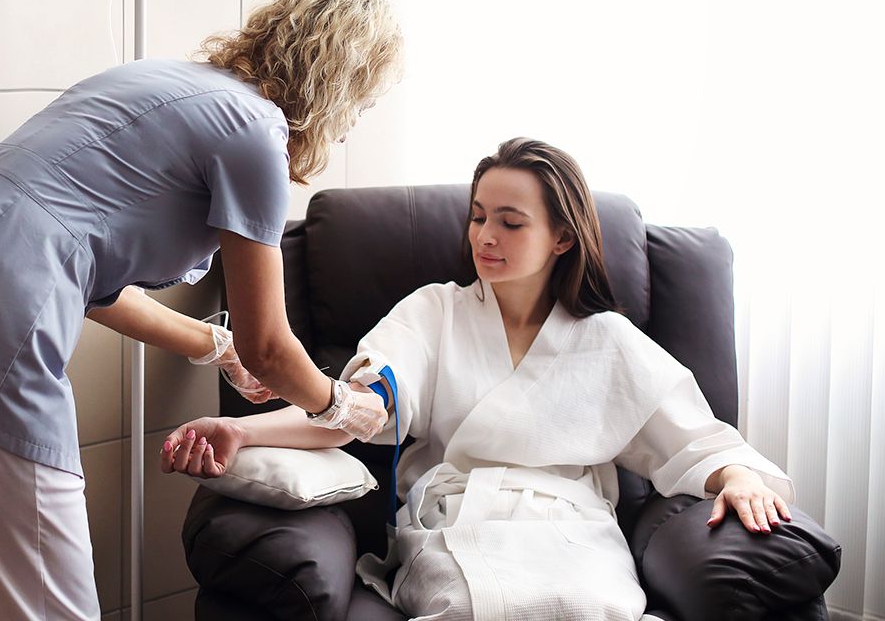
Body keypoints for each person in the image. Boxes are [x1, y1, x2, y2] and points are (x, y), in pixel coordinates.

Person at [0, 0, 400, 620]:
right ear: (343, 84)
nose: (349, 130)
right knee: (48, 603)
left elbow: (83, 271)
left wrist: (215, 345)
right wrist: (337, 405)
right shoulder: (257, 134)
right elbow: (271, 344)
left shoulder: (155, 79)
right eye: (363, 105)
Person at [160, 138, 794, 621]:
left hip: (573, 529)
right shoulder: (432, 313)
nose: (485, 237)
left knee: (590, 606)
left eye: (510, 222)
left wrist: (737, 476)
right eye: (478, 216)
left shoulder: (609, 341)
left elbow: (694, 439)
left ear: (563, 237)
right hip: (459, 523)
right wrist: (240, 429)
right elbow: (356, 411)